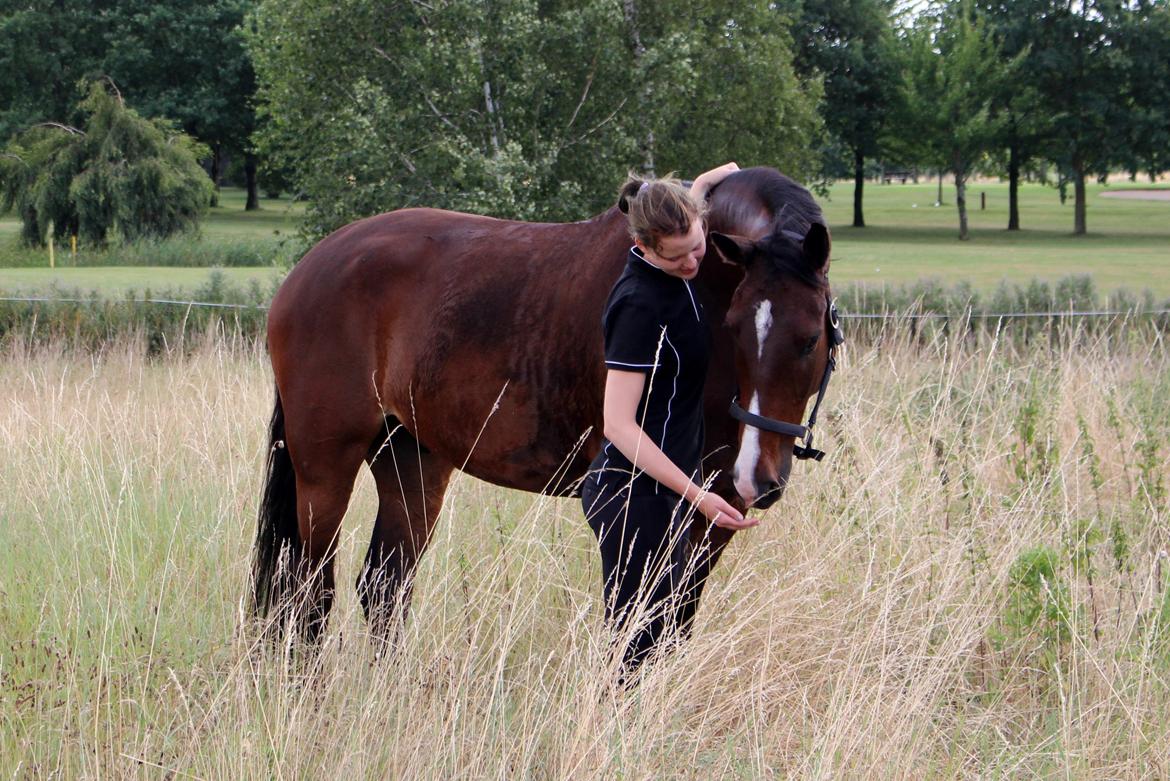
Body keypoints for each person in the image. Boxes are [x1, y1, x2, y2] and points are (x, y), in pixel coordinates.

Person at [581, 162, 757, 679]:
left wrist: (701, 186)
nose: (690, 263)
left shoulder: (679, 249)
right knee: (634, 652)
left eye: (697, 248)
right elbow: (617, 425)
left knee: (668, 639)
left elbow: (684, 209)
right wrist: (698, 494)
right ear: (642, 246)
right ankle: (604, 752)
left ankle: (643, 753)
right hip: (632, 496)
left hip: (667, 491)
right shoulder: (638, 305)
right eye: (675, 256)